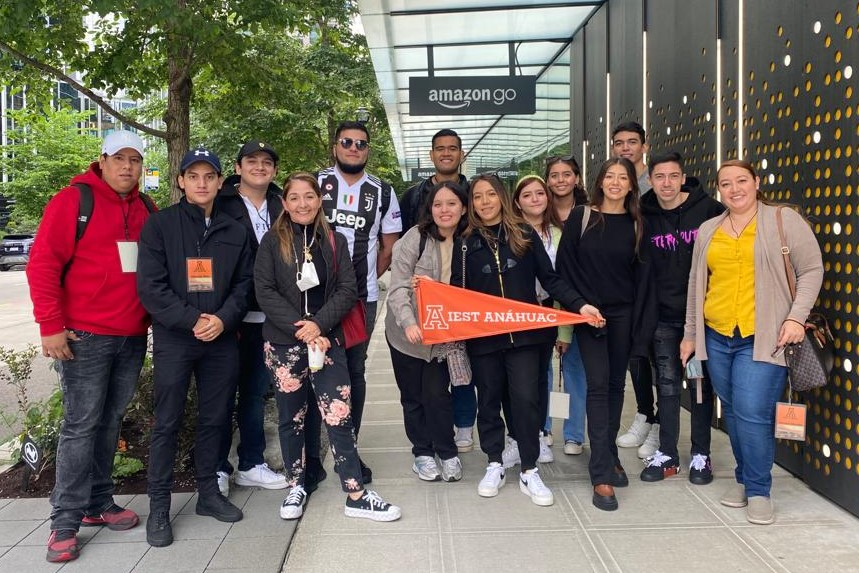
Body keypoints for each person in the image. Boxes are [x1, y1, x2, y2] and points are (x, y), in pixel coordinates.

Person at [27, 131, 153, 563]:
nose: (128, 167)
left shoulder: (145, 207)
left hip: (132, 335)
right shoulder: (72, 201)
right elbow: (42, 263)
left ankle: (99, 501)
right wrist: (51, 326)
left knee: (110, 421)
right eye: (120, 158)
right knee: (80, 425)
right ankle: (64, 520)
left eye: (136, 160)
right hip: (85, 336)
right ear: (101, 160)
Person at [680, 159, 823, 525]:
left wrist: (796, 318)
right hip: (718, 335)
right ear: (719, 190)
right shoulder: (709, 229)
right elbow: (698, 285)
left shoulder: (782, 220)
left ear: (756, 182)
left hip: (765, 338)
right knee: (734, 411)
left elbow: (811, 270)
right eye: (725, 184)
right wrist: (691, 335)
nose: (734, 189)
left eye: (741, 180)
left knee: (753, 413)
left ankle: (758, 489)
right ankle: (744, 479)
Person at [254, 172, 401, 522]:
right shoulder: (272, 242)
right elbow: (264, 290)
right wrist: (301, 328)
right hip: (284, 344)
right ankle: (296, 486)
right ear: (285, 203)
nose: (302, 204)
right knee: (291, 417)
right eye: (294, 198)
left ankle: (355, 491)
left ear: (320, 200)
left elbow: (348, 289)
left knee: (339, 413)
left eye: (309, 196)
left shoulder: (335, 240)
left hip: (327, 340)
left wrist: (319, 324)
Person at [451, 173, 597, 507]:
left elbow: (551, 279)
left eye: (490, 194)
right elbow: (456, 292)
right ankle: (494, 462)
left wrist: (580, 306)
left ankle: (530, 469)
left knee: (526, 399)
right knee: (488, 401)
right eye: (477, 197)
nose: (484, 202)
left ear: (502, 196)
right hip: (484, 339)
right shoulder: (465, 242)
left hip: (528, 338)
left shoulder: (524, 234)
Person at [137, 147, 253, 547]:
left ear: (222, 182)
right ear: (180, 181)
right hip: (175, 339)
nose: (202, 183)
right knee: (166, 422)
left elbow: (245, 284)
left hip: (221, 339)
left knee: (216, 419)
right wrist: (192, 320)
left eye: (210, 176)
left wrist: (222, 319)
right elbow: (150, 287)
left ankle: (208, 494)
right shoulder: (159, 226)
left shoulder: (236, 229)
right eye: (194, 176)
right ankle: (158, 508)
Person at [555, 157, 656, 511]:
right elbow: (562, 272)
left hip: (623, 315)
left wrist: (641, 331)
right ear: (599, 182)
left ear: (632, 184)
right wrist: (581, 305)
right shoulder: (581, 217)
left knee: (615, 387)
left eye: (622, 177)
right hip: (588, 315)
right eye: (609, 176)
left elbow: (643, 281)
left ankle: (609, 453)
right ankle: (600, 474)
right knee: (598, 386)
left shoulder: (638, 223)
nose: (615, 182)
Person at [316, 120, 402, 486]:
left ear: (369, 150)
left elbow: (389, 246)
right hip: (314, 300)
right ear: (335, 146)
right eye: (347, 142)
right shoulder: (315, 184)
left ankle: (348, 451)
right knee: (311, 372)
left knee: (354, 372)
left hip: (360, 301)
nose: (354, 148)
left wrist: (360, 280)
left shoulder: (382, 191)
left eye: (361, 144)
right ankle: (310, 455)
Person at [640, 151, 724, 484]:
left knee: (701, 388)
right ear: (650, 178)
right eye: (659, 177)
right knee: (668, 386)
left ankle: (701, 454)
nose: (666, 184)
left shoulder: (709, 211)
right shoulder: (643, 215)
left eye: (673, 176)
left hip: (701, 318)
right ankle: (668, 454)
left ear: (682, 176)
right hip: (662, 318)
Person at [214, 140, 287, 495]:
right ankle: (215, 467)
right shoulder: (220, 202)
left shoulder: (282, 204)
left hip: (269, 316)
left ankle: (251, 463)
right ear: (238, 167)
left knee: (256, 393)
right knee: (221, 391)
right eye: (252, 161)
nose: (260, 166)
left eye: (267, 162)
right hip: (228, 315)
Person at [397, 129, 476, 453]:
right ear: (432, 155)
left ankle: (463, 428)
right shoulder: (413, 200)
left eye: (453, 149)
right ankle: (430, 444)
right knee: (426, 385)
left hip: (461, 309)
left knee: (461, 373)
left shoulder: (473, 199)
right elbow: (403, 251)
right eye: (440, 149)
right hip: (420, 312)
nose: (446, 154)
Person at [386, 181, 468, 482]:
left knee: (438, 395)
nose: (444, 210)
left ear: (463, 207)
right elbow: (397, 288)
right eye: (438, 204)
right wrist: (409, 322)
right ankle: (422, 452)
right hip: (406, 335)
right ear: (429, 209)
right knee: (412, 396)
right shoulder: (415, 238)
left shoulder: (470, 240)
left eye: (451, 204)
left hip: (444, 336)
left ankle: (447, 451)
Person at [507, 175, 563, 466]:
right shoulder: (512, 232)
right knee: (519, 381)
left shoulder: (559, 232)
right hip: (520, 312)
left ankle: (541, 433)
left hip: (550, 310)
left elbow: (562, 278)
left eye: (539, 193)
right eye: (526, 195)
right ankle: (517, 436)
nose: (534, 199)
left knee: (542, 376)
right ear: (517, 202)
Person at [611, 121, 659, 458]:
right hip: (626, 282)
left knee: (662, 360)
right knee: (637, 356)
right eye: (619, 143)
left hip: (658, 278)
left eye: (632, 142)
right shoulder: (616, 183)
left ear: (644, 145)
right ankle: (645, 414)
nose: (625, 148)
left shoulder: (656, 181)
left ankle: (658, 427)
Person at [544, 155, 589, 456]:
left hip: (578, 302)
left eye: (566, 174)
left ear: (576, 178)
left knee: (574, 369)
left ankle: (574, 433)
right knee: (542, 371)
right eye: (554, 175)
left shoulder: (588, 214)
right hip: (543, 303)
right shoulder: (538, 214)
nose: (560, 180)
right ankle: (543, 428)